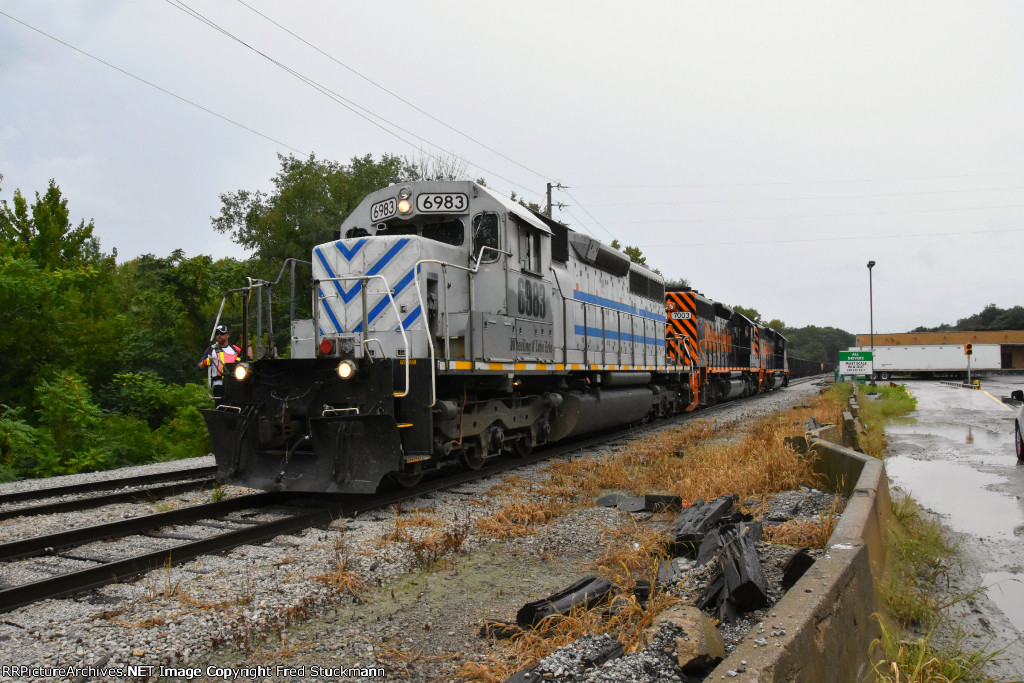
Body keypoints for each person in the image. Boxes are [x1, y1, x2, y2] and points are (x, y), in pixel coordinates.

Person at [197, 324, 242, 399]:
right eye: (217, 334)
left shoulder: (235, 350)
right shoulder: (211, 349)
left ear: (227, 335)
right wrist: (205, 362)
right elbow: (199, 367)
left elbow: (247, 361)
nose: (219, 336)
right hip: (219, 385)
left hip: (235, 384)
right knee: (221, 405)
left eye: (222, 333)